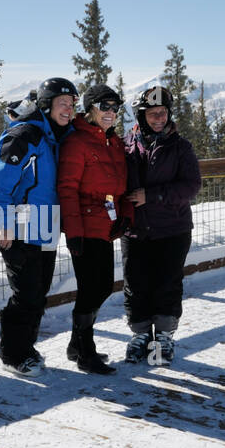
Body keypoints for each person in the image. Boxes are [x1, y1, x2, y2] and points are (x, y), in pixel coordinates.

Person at [0, 77, 78, 375]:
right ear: (46, 105)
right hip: (19, 228)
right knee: (26, 295)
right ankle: (13, 354)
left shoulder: (55, 137)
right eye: (62, 103)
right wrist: (2, 223)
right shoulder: (25, 136)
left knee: (39, 292)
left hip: (46, 226)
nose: (68, 109)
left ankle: (25, 346)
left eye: (72, 104)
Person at [122, 85, 201, 365]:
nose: (159, 119)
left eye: (163, 113)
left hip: (172, 229)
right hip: (135, 229)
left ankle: (164, 337)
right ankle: (141, 334)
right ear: (142, 116)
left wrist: (152, 196)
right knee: (136, 284)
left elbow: (191, 186)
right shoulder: (126, 146)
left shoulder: (180, 148)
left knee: (167, 284)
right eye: (153, 114)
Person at [57, 83, 134, 374]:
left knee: (100, 286)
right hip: (85, 226)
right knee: (93, 288)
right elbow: (67, 189)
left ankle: (77, 345)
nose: (111, 113)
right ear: (89, 108)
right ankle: (84, 350)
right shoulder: (77, 142)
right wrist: (73, 231)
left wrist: (125, 215)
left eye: (115, 108)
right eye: (105, 107)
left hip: (105, 225)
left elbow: (122, 187)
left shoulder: (112, 142)